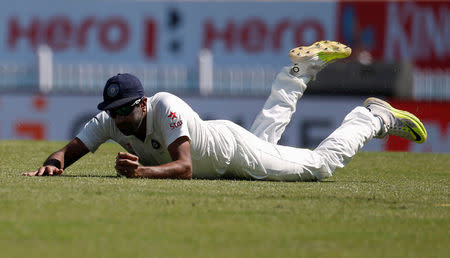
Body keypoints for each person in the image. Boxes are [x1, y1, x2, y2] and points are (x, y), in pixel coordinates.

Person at [22, 40, 427, 181]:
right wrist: (53, 164)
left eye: (125, 110)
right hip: (223, 148)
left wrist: (141, 171)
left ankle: (372, 117)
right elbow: (70, 150)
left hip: (233, 153)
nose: (119, 118)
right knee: (267, 130)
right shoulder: (110, 121)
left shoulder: (165, 106)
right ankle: (298, 73)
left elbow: (184, 167)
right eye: (114, 112)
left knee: (319, 167)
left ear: (142, 103)